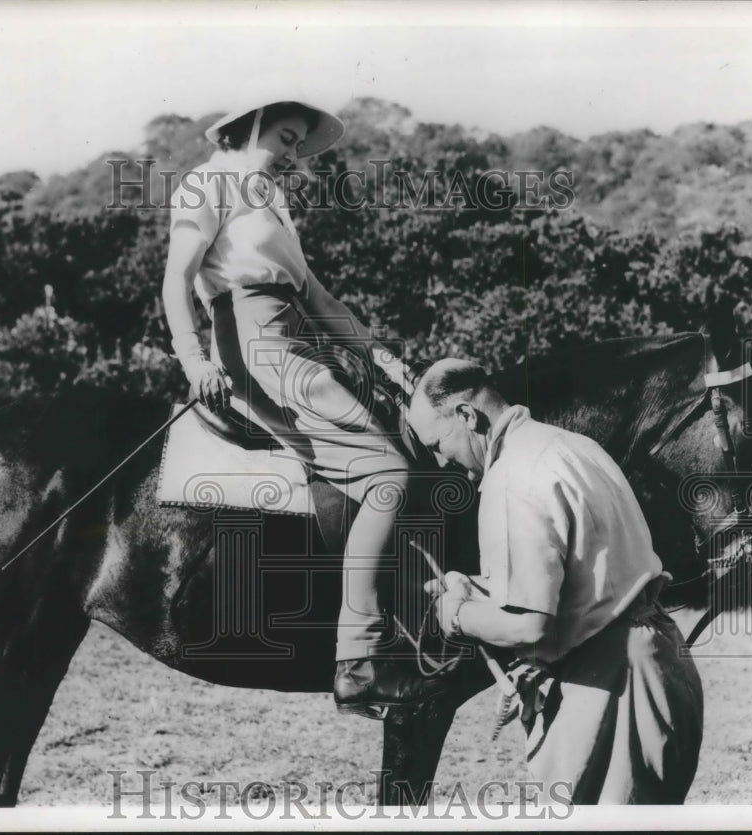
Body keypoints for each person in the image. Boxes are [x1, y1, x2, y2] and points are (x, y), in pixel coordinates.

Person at [163, 90, 442, 715]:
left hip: (299, 336)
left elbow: (320, 299)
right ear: (246, 128)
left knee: (404, 440)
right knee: (389, 472)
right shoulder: (205, 184)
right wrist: (193, 358)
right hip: (254, 344)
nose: (293, 155)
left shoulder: (273, 202)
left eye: (298, 146)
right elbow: (177, 279)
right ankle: (359, 660)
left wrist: (389, 363)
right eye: (285, 138)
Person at [408, 358, 705, 804]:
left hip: (612, 689)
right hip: (661, 666)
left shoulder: (511, 479)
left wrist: (454, 614)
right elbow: (585, 574)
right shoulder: (572, 446)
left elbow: (529, 626)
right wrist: (478, 585)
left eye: (436, 443)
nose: (439, 459)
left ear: (467, 415)